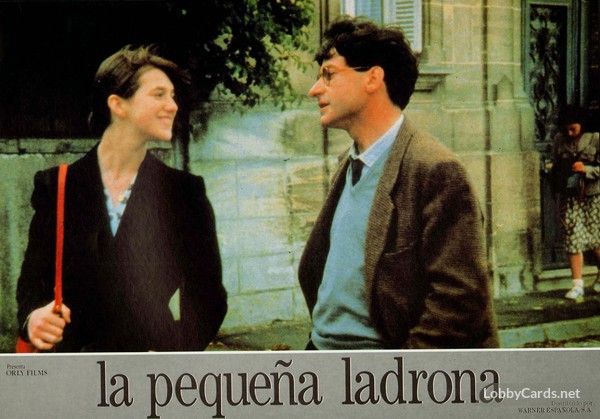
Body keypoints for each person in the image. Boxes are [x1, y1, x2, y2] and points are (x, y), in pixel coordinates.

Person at [298, 16, 498, 349]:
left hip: (381, 372)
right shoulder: (348, 164)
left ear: (373, 78)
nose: (314, 89)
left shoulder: (436, 170)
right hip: (321, 357)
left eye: (329, 75)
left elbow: (459, 302)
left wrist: (399, 373)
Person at [16, 45, 227, 352]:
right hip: (73, 369)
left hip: (147, 371)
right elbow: (32, 284)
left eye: (172, 95)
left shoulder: (184, 193)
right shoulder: (57, 187)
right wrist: (33, 318)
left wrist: (170, 354)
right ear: (118, 105)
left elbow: (208, 299)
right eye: (159, 94)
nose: (173, 106)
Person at [551, 106, 600, 299]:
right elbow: (555, 164)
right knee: (572, 237)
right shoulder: (559, 140)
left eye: (573, 129)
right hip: (570, 196)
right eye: (567, 130)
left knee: (596, 238)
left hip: (593, 196)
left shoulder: (595, 138)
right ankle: (577, 284)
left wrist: (586, 169)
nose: (570, 133)